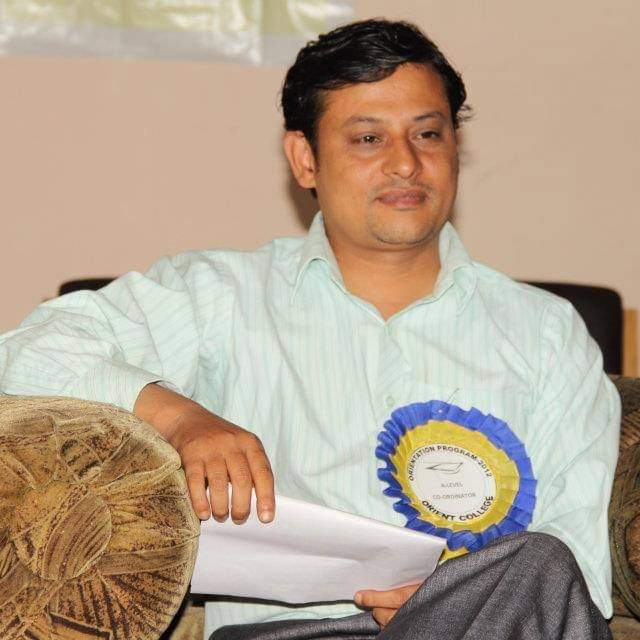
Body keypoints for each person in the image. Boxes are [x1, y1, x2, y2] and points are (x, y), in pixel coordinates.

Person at [0, 18, 620, 640]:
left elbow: (579, 572)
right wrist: (181, 418)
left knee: (542, 562)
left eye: (428, 133)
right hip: (293, 634)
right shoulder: (222, 296)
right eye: (369, 138)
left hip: (494, 628)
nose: (407, 163)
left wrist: (450, 603)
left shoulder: (545, 332)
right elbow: (27, 353)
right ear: (304, 159)